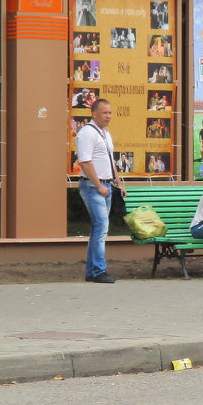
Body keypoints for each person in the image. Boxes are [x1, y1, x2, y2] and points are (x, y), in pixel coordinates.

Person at [75, 99, 119, 283]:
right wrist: (99, 185)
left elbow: (110, 159)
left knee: (98, 229)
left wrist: (117, 181)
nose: (108, 116)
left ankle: (92, 272)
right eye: (104, 113)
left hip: (106, 185)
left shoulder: (105, 133)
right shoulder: (87, 133)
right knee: (101, 227)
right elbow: (85, 162)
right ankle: (99, 271)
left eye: (109, 112)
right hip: (94, 186)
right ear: (94, 113)